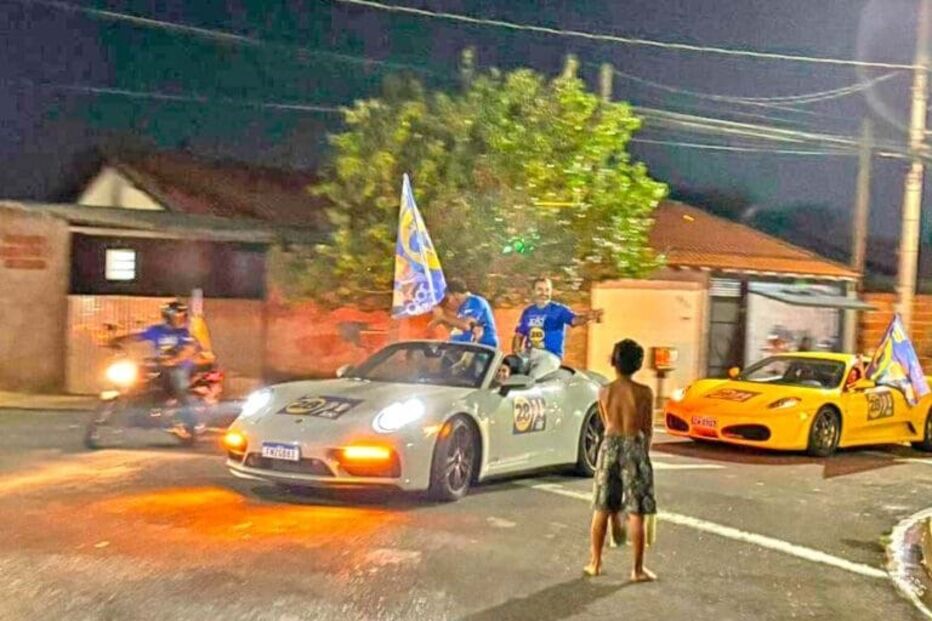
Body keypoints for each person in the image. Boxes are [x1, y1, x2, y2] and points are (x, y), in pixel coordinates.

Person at [585, 338, 657, 582]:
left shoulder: (604, 391)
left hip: (610, 445)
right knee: (637, 511)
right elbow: (647, 428)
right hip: (633, 445)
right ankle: (637, 570)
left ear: (614, 362)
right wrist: (643, 453)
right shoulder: (644, 392)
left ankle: (595, 562)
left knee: (601, 507)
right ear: (637, 364)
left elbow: (606, 422)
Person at [111, 300, 200, 436]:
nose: (178, 319)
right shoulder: (157, 330)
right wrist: (118, 340)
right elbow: (137, 336)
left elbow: (189, 349)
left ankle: (191, 421)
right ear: (167, 316)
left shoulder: (184, 333)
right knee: (138, 377)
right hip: (160, 365)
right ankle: (138, 410)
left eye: (181, 316)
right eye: (175, 316)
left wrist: (175, 360)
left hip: (179, 367)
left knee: (179, 387)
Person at [512, 277, 603, 359]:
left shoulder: (559, 310)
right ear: (533, 291)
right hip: (530, 355)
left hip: (550, 356)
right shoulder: (528, 311)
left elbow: (574, 321)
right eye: (540, 289)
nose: (544, 293)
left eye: (547, 290)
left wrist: (587, 317)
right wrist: (517, 354)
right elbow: (519, 335)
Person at [428, 278, 500, 349]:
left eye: (448, 298)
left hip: (483, 347)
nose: (448, 302)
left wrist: (443, 317)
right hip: (467, 348)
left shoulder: (475, 301)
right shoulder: (462, 308)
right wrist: (438, 320)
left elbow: (467, 325)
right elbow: (457, 328)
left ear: (455, 294)